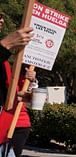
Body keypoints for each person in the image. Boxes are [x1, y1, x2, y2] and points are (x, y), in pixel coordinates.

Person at [0, 10, 35, 157]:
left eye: (1, 17)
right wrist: (5, 45)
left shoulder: (5, 61)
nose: (1, 20)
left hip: (5, 127)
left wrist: (21, 95)